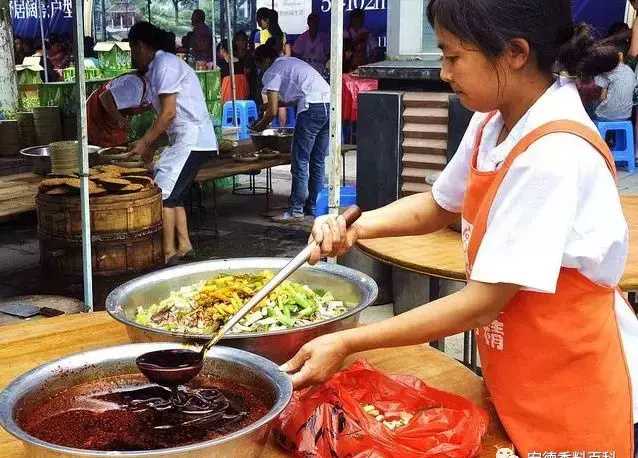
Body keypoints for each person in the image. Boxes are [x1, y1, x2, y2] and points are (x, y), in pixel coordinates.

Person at [281, 0, 638, 455]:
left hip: (573, 394)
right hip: (519, 377)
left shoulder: (554, 155)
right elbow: (436, 204)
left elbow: (480, 305)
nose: (444, 73)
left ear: (514, 53)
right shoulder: (493, 120)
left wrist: (347, 340)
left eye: (453, 57)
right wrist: (354, 227)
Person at [127, 22, 217, 264]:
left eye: (132, 49)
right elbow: (168, 120)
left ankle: (167, 253)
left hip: (194, 138)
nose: (132, 56)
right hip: (187, 138)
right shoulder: (158, 68)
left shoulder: (165, 64)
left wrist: (146, 142)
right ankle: (184, 246)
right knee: (173, 194)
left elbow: (168, 114)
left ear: (142, 46)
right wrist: (150, 147)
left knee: (163, 194)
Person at [252, 46, 330, 222]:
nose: (260, 69)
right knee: (317, 160)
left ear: (263, 61)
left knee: (300, 161)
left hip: (312, 107)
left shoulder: (271, 71)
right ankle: (313, 206)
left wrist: (259, 126)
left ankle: (295, 210)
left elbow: (272, 112)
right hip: (329, 103)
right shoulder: (290, 62)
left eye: (259, 64)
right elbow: (289, 99)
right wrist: (269, 107)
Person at [86, 73, 153, 147]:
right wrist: (120, 119)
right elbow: (105, 97)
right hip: (97, 110)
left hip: (113, 117)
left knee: (120, 145)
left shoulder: (152, 93)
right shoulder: (135, 86)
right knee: (102, 149)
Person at [593, 26, 637, 121]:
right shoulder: (630, 70)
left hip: (605, 116)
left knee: (590, 105)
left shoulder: (606, 72)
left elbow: (601, 97)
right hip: (626, 117)